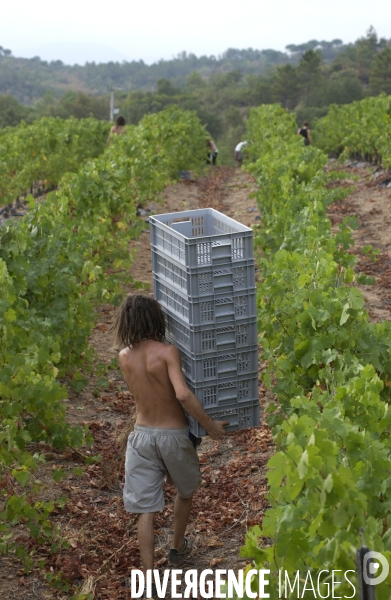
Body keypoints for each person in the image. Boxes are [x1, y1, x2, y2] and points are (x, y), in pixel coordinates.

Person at [113, 295, 228, 596]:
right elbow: (182, 395)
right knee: (186, 491)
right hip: (173, 436)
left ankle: (150, 578)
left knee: (145, 509)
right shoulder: (167, 353)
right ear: (156, 320)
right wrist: (210, 426)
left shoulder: (124, 356)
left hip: (140, 436)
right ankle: (176, 549)